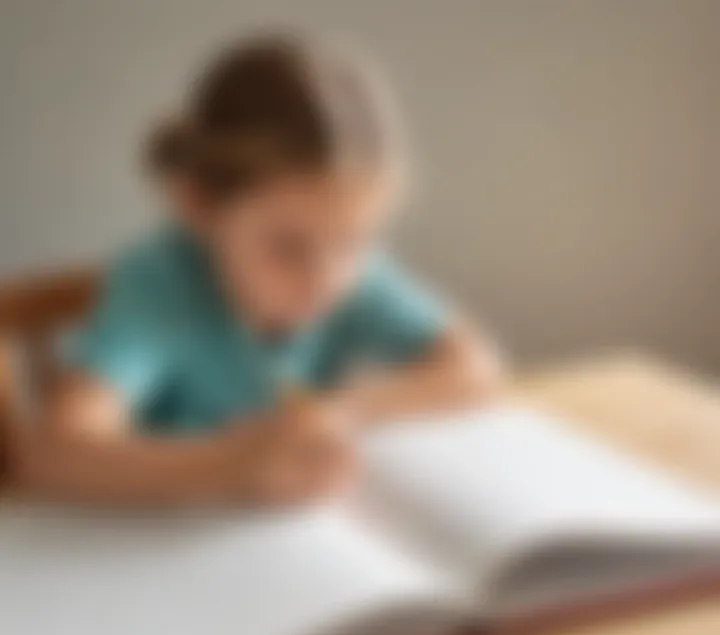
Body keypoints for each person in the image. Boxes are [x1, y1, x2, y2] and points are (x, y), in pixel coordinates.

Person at [17, 34, 503, 507]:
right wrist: (230, 465)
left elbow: (475, 368)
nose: (327, 280)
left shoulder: (346, 271)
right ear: (197, 203)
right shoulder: (158, 288)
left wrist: (335, 413)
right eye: (288, 248)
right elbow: (52, 456)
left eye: (356, 240)